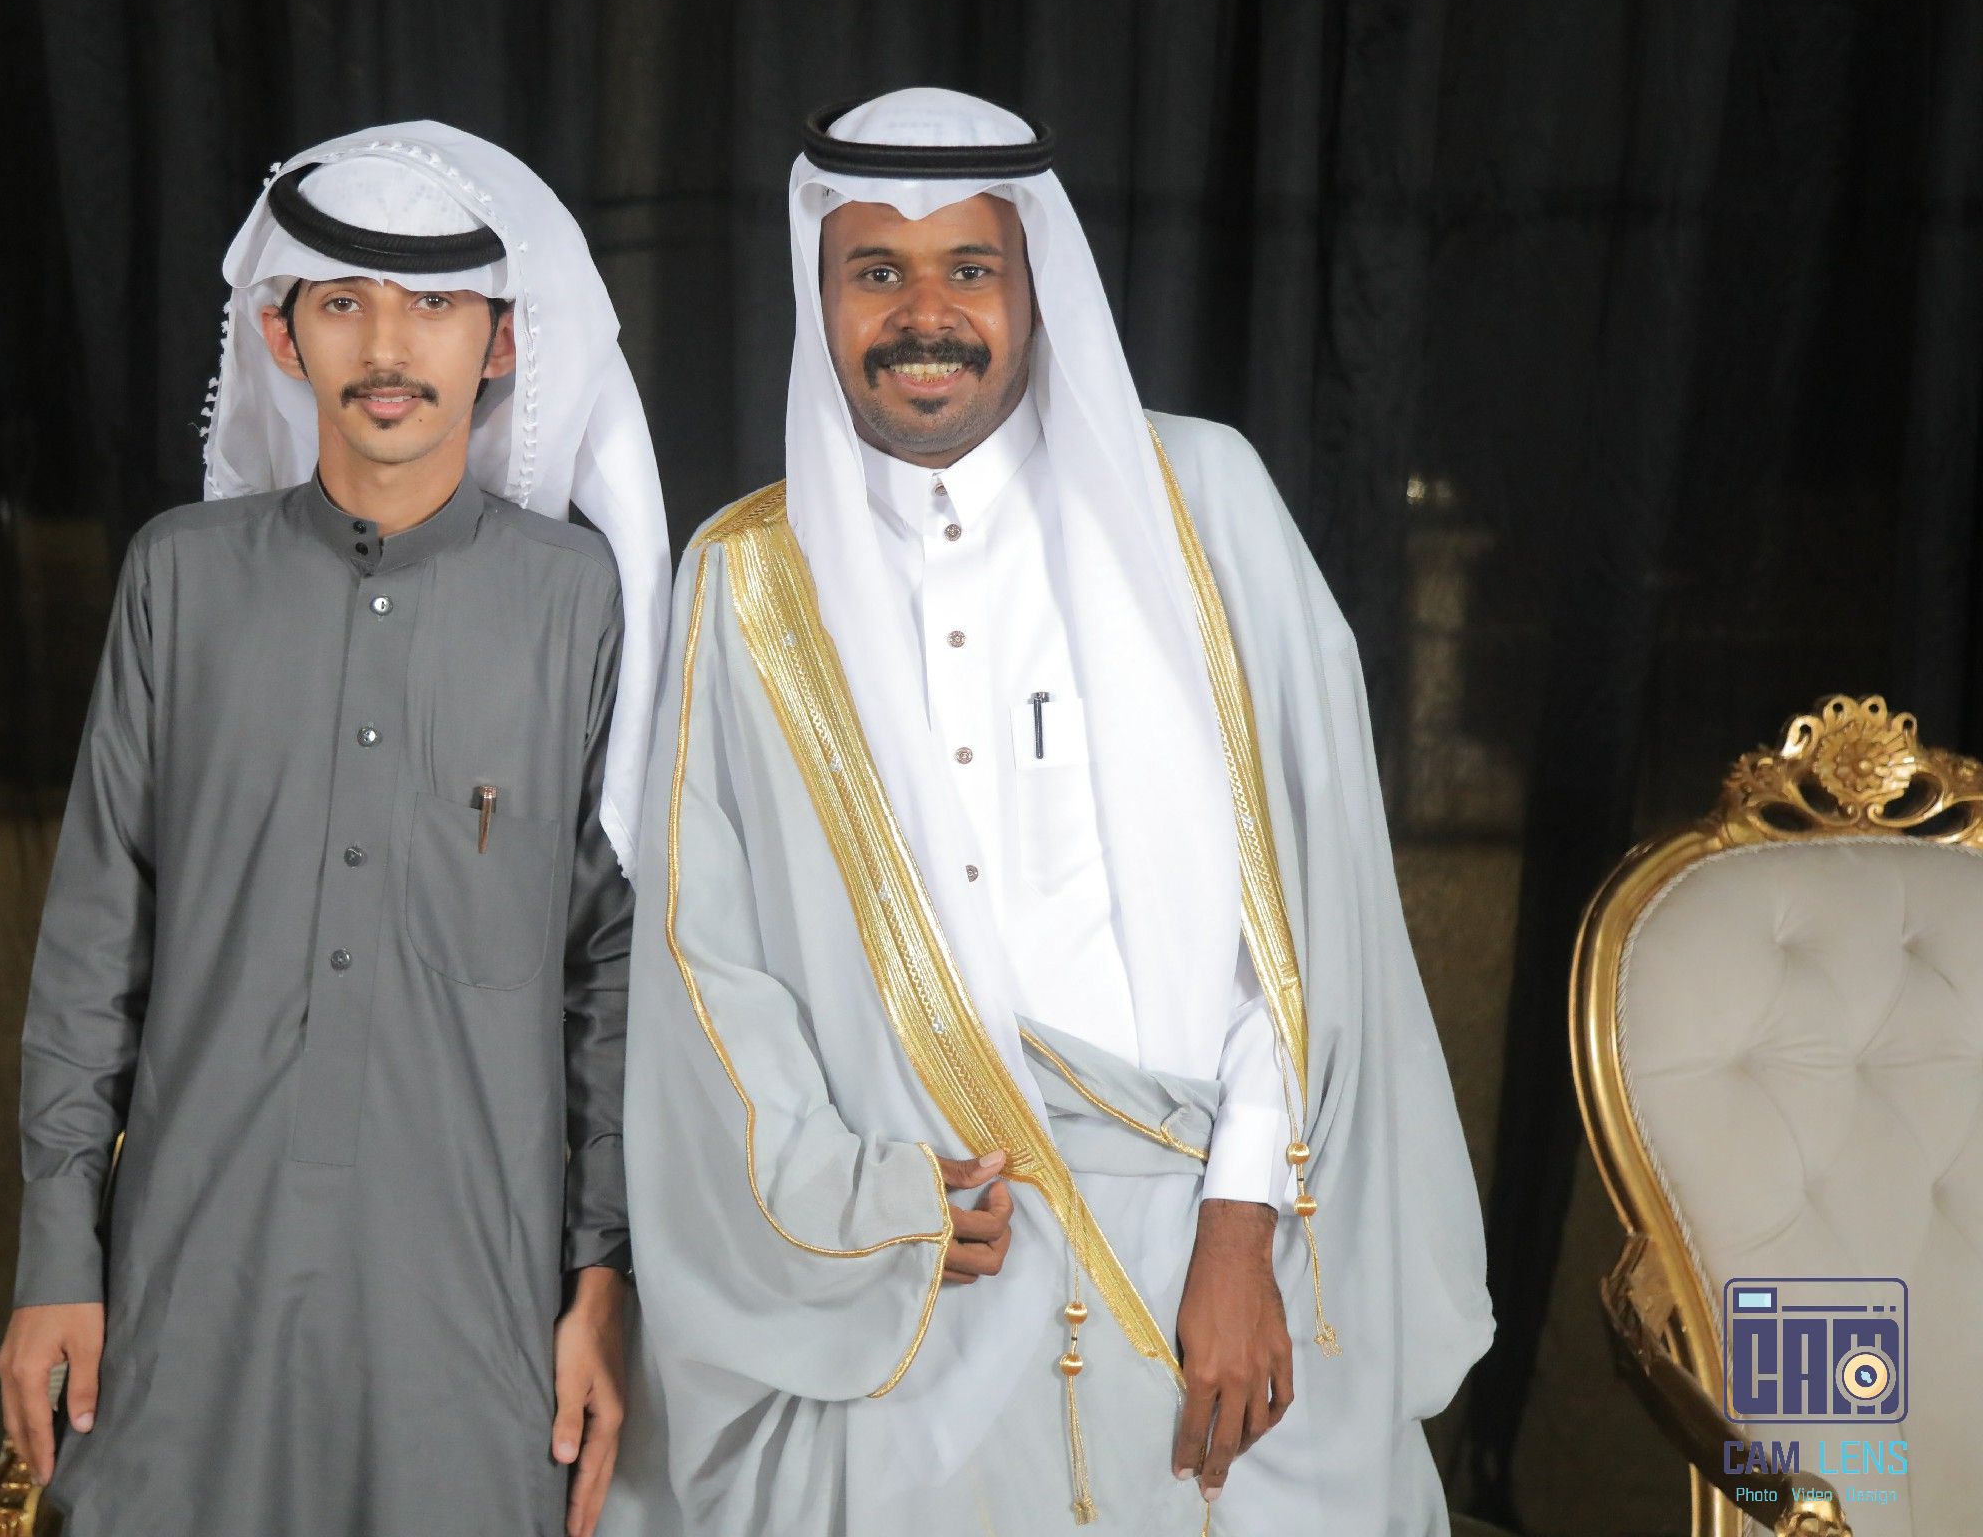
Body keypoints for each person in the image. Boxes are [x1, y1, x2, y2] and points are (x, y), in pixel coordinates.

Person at [604, 88, 1490, 1535]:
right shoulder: (747, 580)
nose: (925, 314)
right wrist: (862, 1206)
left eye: (970, 267)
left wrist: (1242, 1226)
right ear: (820, 296)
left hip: (1209, 1247)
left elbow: (1307, 911)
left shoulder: (1201, 504)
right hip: (920, 1272)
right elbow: (709, 962)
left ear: (1035, 285)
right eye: (876, 271)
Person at [0, 120, 670, 1537]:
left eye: (435, 305)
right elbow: (93, 945)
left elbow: (616, 977)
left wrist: (601, 1276)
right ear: (280, 333)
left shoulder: (578, 604)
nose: (388, 347)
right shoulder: (180, 581)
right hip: (187, 1279)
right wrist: (56, 1254)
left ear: (501, 342)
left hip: (478, 1299)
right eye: (346, 302)